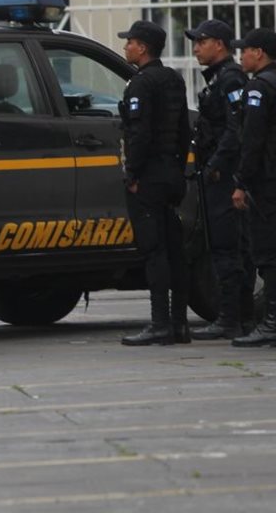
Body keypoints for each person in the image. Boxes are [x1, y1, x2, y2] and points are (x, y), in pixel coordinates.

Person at [117, 20, 193, 346]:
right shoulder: (174, 80)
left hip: (148, 177)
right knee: (176, 250)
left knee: (154, 250)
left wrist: (132, 174)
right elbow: (184, 132)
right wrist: (176, 170)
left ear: (143, 47)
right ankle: (179, 324)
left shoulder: (140, 84)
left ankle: (159, 323)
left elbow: (140, 134)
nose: (126, 48)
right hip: (171, 175)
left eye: (130, 42)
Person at [185, 20, 250, 340]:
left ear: (220, 45)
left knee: (227, 248)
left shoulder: (230, 79)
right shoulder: (219, 79)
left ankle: (231, 318)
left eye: (202, 41)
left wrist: (216, 164)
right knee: (225, 246)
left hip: (224, 175)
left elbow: (235, 129)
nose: (196, 47)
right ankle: (237, 316)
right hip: (217, 173)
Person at [229, 28, 276, 347]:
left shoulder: (259, 88)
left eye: (244, 50)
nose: (240, 56)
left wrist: (241, 182)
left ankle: (271, 323)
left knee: (267, 254)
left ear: (259, 53)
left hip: (267, 182)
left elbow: (252, 140)